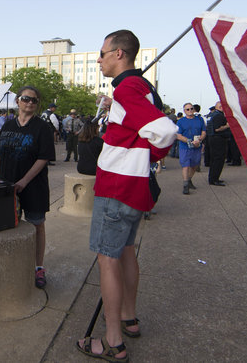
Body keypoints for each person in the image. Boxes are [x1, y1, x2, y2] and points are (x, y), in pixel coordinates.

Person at [76, 29, 176, 362]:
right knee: (127, 251)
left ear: (119, 54)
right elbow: (140, 124)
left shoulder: (128, 87)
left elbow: (164, 131)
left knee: (108, 259)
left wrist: (143, 154)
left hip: (118, 186)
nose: (99, 59)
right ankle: (128, 318)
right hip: (131, 187)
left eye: (102, 53)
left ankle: (112, 339)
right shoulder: (139, 88)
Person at [0, 86, 55, 288]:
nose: (29, 102)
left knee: (37, 225)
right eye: (26, 98)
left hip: (34, 186)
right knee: (9, 224)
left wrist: (24, 181)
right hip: (7, 186)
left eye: (34, 100)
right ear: (18, 101)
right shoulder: (7, 125)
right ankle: (13, 263)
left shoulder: (42, 127)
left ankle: (38, 267)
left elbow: (43, 158)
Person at [176, 102, 206, 194]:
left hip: (197, 147)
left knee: (194, 166)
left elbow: (204, 132)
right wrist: (189, 141)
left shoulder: (200, 119)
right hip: (185, 147)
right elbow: (178, 135)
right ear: (184, 111)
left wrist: (200, 139)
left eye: (191, 109)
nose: (190, 111)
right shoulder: (180, 121)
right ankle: (185, 186)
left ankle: (189, 180)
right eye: (187, 109)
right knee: (186, 166)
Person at [206, 101, 229, 186]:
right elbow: (217, 129)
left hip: (211, 138)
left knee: (214, 160)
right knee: (218, 159)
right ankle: (214, 179)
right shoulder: (219, 116)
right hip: (218, 139)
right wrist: (227, 126)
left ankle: (213, 178)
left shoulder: (211, 115)